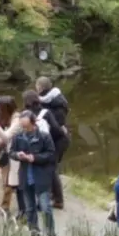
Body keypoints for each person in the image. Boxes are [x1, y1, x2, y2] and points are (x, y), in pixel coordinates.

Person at [11, 111, 57, 236]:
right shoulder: (18, 137)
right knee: (29, 208)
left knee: (45, 207)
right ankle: (34, 232)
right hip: (25, 176)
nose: (24, 129)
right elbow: (11, 152)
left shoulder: (44, 137)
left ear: (33, 123)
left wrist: (35, 158)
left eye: (26, 126)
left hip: (41, 177)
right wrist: (17, 155)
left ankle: (50, 234)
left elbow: (51, 155)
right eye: (22, 126)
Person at [36, 75, 71, 208]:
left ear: (40, 87)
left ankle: (59, 200)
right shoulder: (50, 101)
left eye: (37, 86)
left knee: (51, 167)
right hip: (56, 137)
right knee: (51, 166)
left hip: (59, 139)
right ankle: (52, 193)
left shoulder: (57, 105)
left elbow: (58, 125)